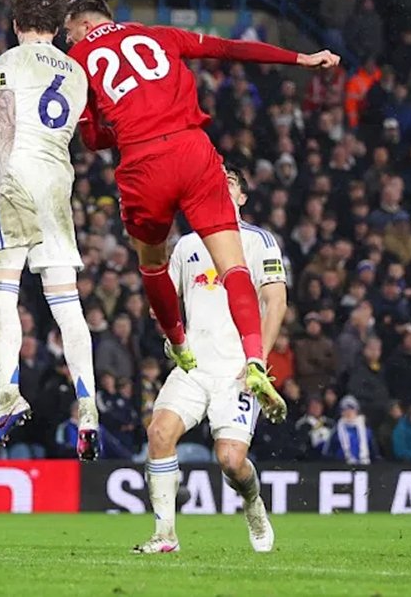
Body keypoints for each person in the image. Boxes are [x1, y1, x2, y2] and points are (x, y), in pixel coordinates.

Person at [62, 0, 337, 420]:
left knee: (152, 264)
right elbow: (229, 49)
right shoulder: (159, 35)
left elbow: (93, 140)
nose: (68, 39)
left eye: (67, 32)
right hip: (194, 150)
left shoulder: (76, 58)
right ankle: (255, 358)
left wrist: (115, 124)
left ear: (81, 24)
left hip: (144, 163)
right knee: (234, 268)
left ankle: (179, 343)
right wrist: (301, 58)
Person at [0, 0, 100, 459]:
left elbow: (6, 131)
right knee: (65, 301)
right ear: (56, 30)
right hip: (56, 184)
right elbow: (39, 138)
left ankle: (7, 394)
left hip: (11, 183)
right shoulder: (75, 71)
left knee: (1, 292)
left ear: (15, 25)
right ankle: (88, 403)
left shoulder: (6, 63)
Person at [134, 166, 288, 554]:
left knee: (232, 461)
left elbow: (275, 301)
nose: (222, 184)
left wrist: (257, 362)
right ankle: (165, 535)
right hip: (192, 367)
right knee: (159, 433)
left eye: (231, 181)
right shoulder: (187, 245)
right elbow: (164, 301)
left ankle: (252, 503)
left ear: (241, 198)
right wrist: (174, 336)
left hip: (236, 370)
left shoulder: (258, 241)